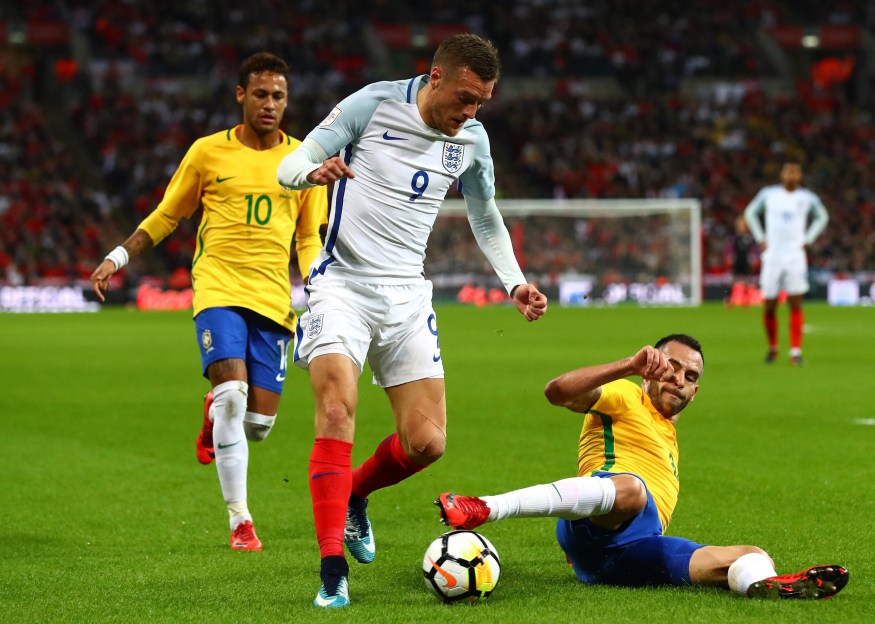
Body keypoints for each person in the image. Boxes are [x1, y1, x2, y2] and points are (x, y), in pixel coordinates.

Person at [276, 33, 548, 608]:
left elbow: (485, 214)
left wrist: (515, 281)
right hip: (341, 286)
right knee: (334, 410)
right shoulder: (372, 104)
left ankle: (352, 495)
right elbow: (289, 163)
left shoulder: (471, 139)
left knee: (426, 444)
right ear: (436, 78)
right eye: (466, 98)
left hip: (407, 296)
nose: (471, 113)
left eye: (483, 102)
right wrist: (311, 174)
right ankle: (332, 572)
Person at [91, 52, 328, 551]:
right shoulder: (207, 153)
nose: (270, 104)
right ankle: (240, 521)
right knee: (232, 397)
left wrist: (320, 287)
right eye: (260, 94)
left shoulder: (304, 159)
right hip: (218, 289)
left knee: (258, 426)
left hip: (273, 299)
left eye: (279, 96)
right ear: (240, 95)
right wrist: (118, 256)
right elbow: (166, 215)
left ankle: (214, 416)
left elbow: (309, 238)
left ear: (288, 102)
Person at [437, 334, 849, 600]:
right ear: (653, 366)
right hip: (605, 518)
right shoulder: (626, 395)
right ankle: (486, 507)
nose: (680, 380)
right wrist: (627, 367)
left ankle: (766, 585)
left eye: (690, 376)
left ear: (696, 391)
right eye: (673, 367)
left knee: (749, 556)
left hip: (635, 550)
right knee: (634, 490)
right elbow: (556, 392)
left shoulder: (669, 437)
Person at [743, 162, 829, 365]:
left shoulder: (807, 198)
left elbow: (822, 217)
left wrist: (809, 238)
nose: (791, 174)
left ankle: (795, 352)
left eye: (795, 171)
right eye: (787, 170)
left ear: (800, 176)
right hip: (772, 256)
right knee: (770, 305)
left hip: (795, 256)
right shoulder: (769, 194)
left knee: (795, 303)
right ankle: (773, 348)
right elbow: (750, 213)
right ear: (781, 175)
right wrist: (760, 237)